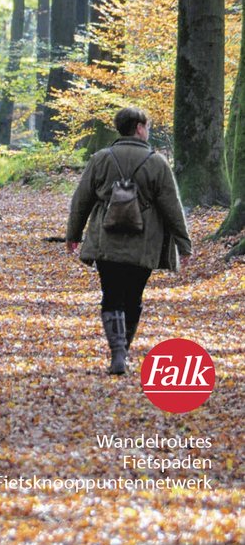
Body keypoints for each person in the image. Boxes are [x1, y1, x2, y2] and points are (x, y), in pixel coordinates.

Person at [66, 106, 192, 376]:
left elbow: (81, 200)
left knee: (111, 294)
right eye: (147, 126)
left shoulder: (101, 158)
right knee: (133, 297)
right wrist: (184, 243)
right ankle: (125, 347)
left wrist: (73, 235)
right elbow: (172, 206)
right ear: (138, 128)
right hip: (143, 245)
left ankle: (118, 352)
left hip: (106, 242)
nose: (148, 131)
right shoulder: (157, 162)